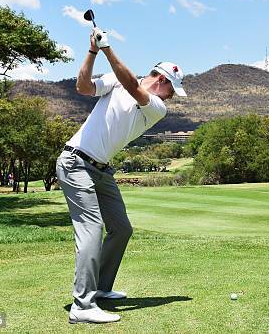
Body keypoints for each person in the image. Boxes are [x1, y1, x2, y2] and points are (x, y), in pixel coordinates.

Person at [56, 28, 186, 324]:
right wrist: (92, 51)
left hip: (101, 169)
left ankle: (100, 288)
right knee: (91, 229)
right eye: (171, 90)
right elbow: (83, 87)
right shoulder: (116, 81)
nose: (172, 98)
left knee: (121, 228)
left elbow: (132, 85)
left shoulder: (157, 108)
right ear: (163, 80)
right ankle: (83, 305)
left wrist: (108, 49)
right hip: (75, 163)